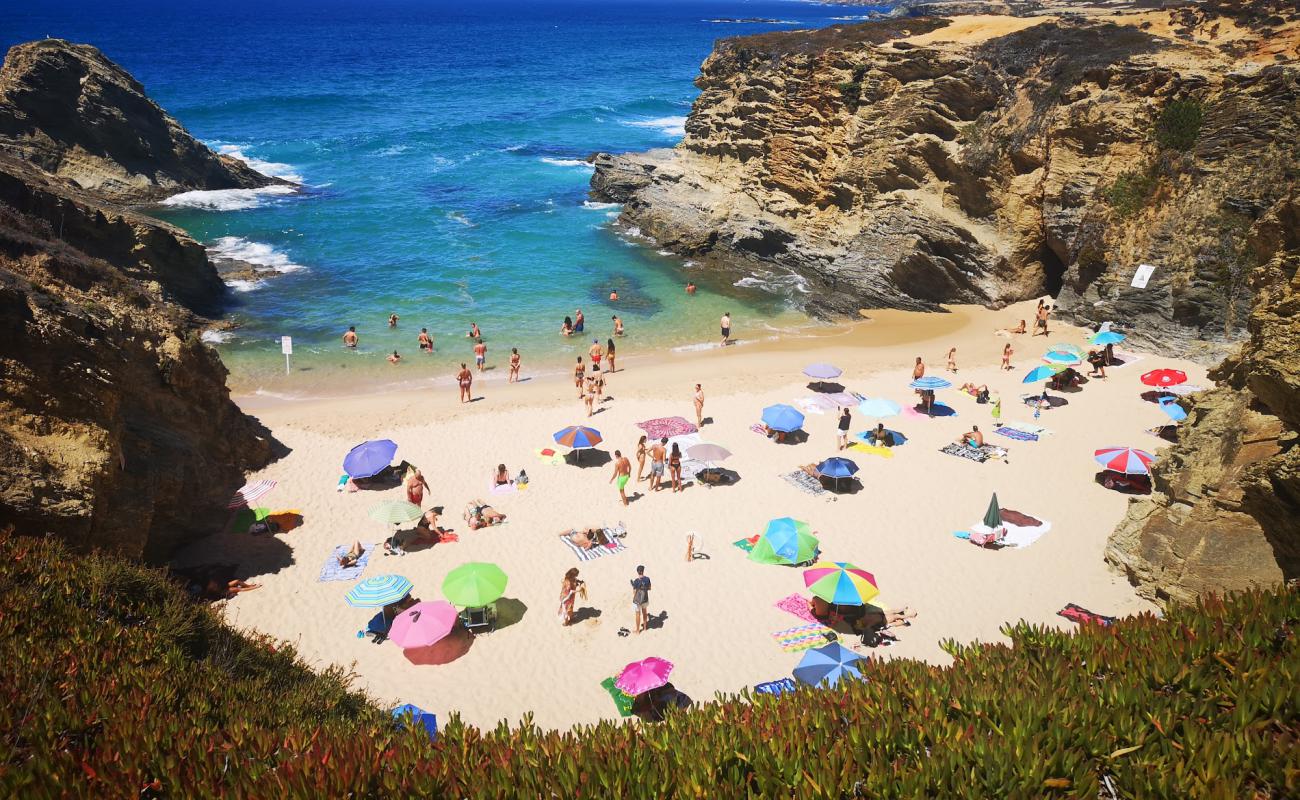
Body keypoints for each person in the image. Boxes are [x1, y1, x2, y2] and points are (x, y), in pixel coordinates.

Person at [630, 566, 651, 634]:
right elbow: (649, 588)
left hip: (638, 600)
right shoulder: (647, 579)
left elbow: (634, 592)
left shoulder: (636, 581)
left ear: (637, 572)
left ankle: (638, 630)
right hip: (645, 598)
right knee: (644, 612)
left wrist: (633, 586)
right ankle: (645, 627)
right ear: (643, 571)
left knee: (638, 614)